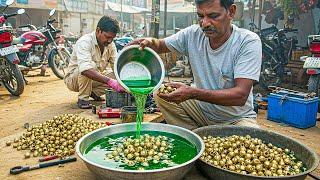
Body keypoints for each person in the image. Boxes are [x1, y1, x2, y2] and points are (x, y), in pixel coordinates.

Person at [130, 0, 262, 130]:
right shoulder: (192, 34)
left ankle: (203, 137)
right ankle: (197, 136)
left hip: (235, 119)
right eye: (200, 16)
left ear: (231, 12)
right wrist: (148, 42)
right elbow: (160, 45)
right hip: (201, 111)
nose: (204, 23)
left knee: (252, 138)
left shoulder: (247, 41)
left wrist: (193, 93)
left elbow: (240, 96)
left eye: (213, 16)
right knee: (160, 94)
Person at [64, 16, 124, 109]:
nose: (109, 41)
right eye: (107, 37)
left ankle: (93, 93)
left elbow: (116, 65)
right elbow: (85, 70)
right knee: (88, 67)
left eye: (112, 38)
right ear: (98, 30)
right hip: (73, 80)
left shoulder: (110, 45)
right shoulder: (85, 42)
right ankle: (83, 98)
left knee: (119, 74)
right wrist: (110, 81)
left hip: (92, 80)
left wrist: (122, 81)